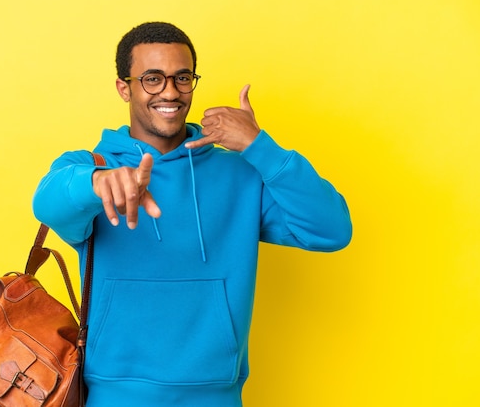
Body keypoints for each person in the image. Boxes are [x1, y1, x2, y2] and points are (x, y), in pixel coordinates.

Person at [33, 21, 352, 407]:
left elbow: (332, 230)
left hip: (215, 395)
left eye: (181, 78)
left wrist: (259, 146)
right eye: (152, 79)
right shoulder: (92, 168)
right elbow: (46, 202)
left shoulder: (241, 174)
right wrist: (97, 183)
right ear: (124, 87)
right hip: (115, 395)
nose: (170, 91)